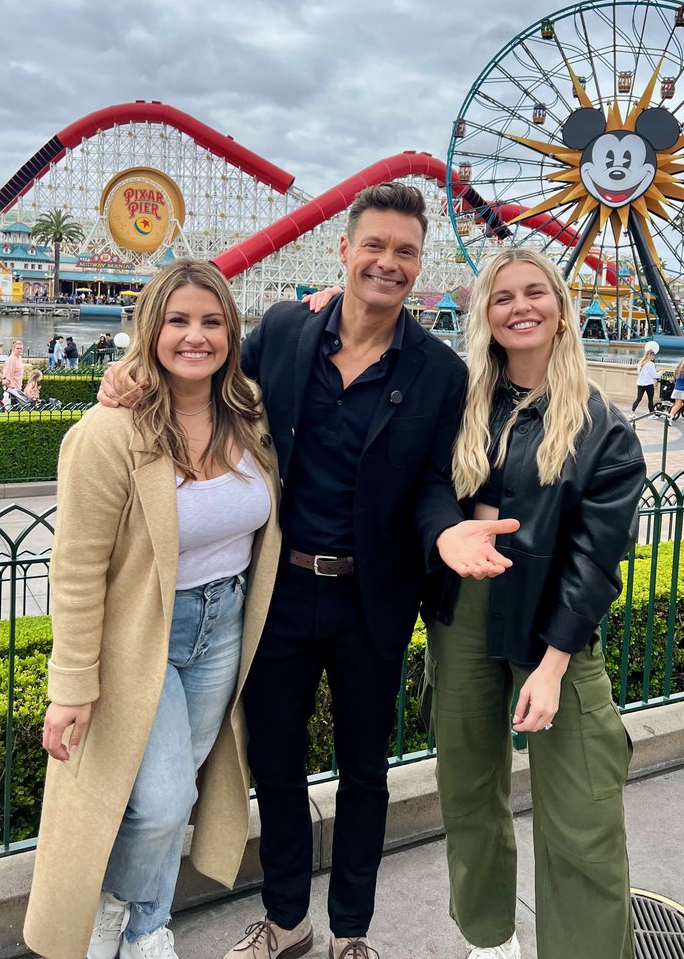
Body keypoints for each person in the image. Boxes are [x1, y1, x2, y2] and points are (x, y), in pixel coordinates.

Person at [99, 183, 516, 959]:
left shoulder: (436, 373)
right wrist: (135, 380)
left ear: (419, 266)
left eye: (405, 253)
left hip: (372, 601)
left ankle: (352, 934)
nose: (388, 264)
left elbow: (432, 481)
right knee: (278, 769)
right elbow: (208, 384)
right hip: (279, 596)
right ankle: (286, 922)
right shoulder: (288, 330)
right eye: (375, 247)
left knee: (365, 776)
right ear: (346, 250)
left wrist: (447, 535)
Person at [24, 260, 283, 959]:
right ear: (150, 329)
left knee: (179, 796)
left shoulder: (252, 414)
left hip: (225, 626)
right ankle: (131, 915)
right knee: (163, 800)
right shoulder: (110, 432)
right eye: (177, 320)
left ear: (232, 331)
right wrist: (72, 685)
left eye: (210, 321)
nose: (194, 336)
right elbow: (76, 567)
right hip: (143, 638)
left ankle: (143, 919)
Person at [423, 248, 646, 959]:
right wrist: (325, 307)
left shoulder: (601, 426)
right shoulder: (457, 404)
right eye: (503, 296)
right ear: (485, 313)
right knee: (467, 789)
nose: (521, 307)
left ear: (560, 308)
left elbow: (594, 562)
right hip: (463, 616)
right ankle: (488, 939)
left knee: (582, 814)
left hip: (557, 632)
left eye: (535, 293)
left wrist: (552, 667)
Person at [629, 346, 658, 417]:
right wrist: (661, 373)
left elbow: (639, 373)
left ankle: (632, 413)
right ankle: (651, 414)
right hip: (648, 384)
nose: (654, 357)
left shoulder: (640, 362)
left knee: (638, 398)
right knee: (650, 399)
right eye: (653, 355)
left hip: (640, 383)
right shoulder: (651, 364)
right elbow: (654, 375)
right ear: (651, 355)